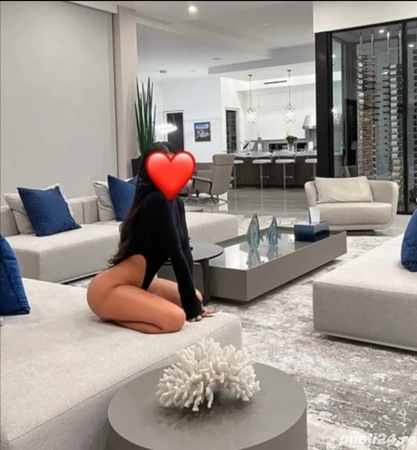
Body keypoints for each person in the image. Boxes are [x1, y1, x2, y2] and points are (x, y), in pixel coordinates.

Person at [87, 142, 215, 334]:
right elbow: (175, 253)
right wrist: (190, 309)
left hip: (139, 286)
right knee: (175, 319)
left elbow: (185, 250)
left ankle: (126, 307)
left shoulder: (176, 203)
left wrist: (192, 302)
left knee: (196, 295)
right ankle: (110, 313)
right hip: (109, 289)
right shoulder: (155, 201)